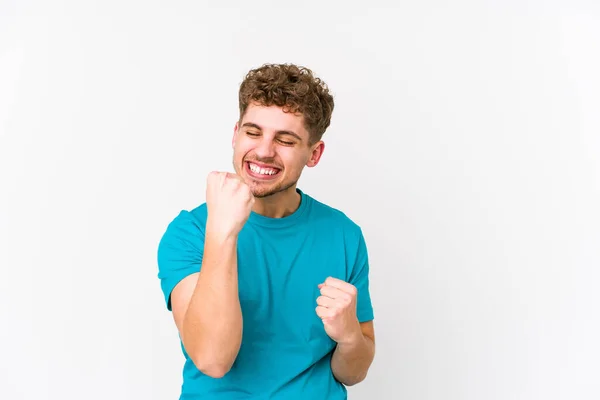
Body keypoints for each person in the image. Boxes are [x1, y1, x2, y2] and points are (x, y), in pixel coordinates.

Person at [157, 63, 375, 399]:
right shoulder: (191, 232)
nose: (263, 151)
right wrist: (222, 232)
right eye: (253, 132)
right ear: (235, 133)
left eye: (285, 140)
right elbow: (213, 360)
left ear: (314, 153)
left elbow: (353, 371)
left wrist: (348, 336)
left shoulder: (344, 235)